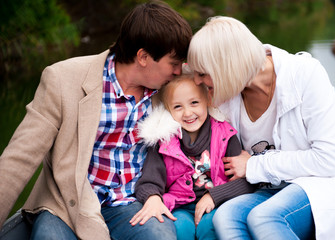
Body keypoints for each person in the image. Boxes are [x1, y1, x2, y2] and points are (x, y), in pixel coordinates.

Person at [0, 1, 192, 239]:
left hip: (132, 202)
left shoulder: (171, 90)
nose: (178, 72)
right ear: (143, 57)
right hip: (69, 204)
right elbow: (19, 158)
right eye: (173, 64)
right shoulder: (63, 79)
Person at [187, 16, 335, 240]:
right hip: (272, 186)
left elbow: (328, 160)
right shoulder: (227, 94)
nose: (197, 81)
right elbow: (180, 96)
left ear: (226, 67)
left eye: (202, 74)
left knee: (265, 217)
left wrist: (254, 164)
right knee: (226, 216)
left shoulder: (305, 74)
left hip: (323, 182)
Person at [129, 67, 254, 240]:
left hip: (217, 202)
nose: (188, 113)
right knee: (179, 230)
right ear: (168, 109)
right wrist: (152, 198)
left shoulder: (226, 135)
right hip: (180, 207)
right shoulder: (163, 142)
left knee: (211, 228)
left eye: (194, 103)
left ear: (208, 100)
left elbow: (245, 181)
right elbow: (150, 181)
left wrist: (215, 196)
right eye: (178, 106)